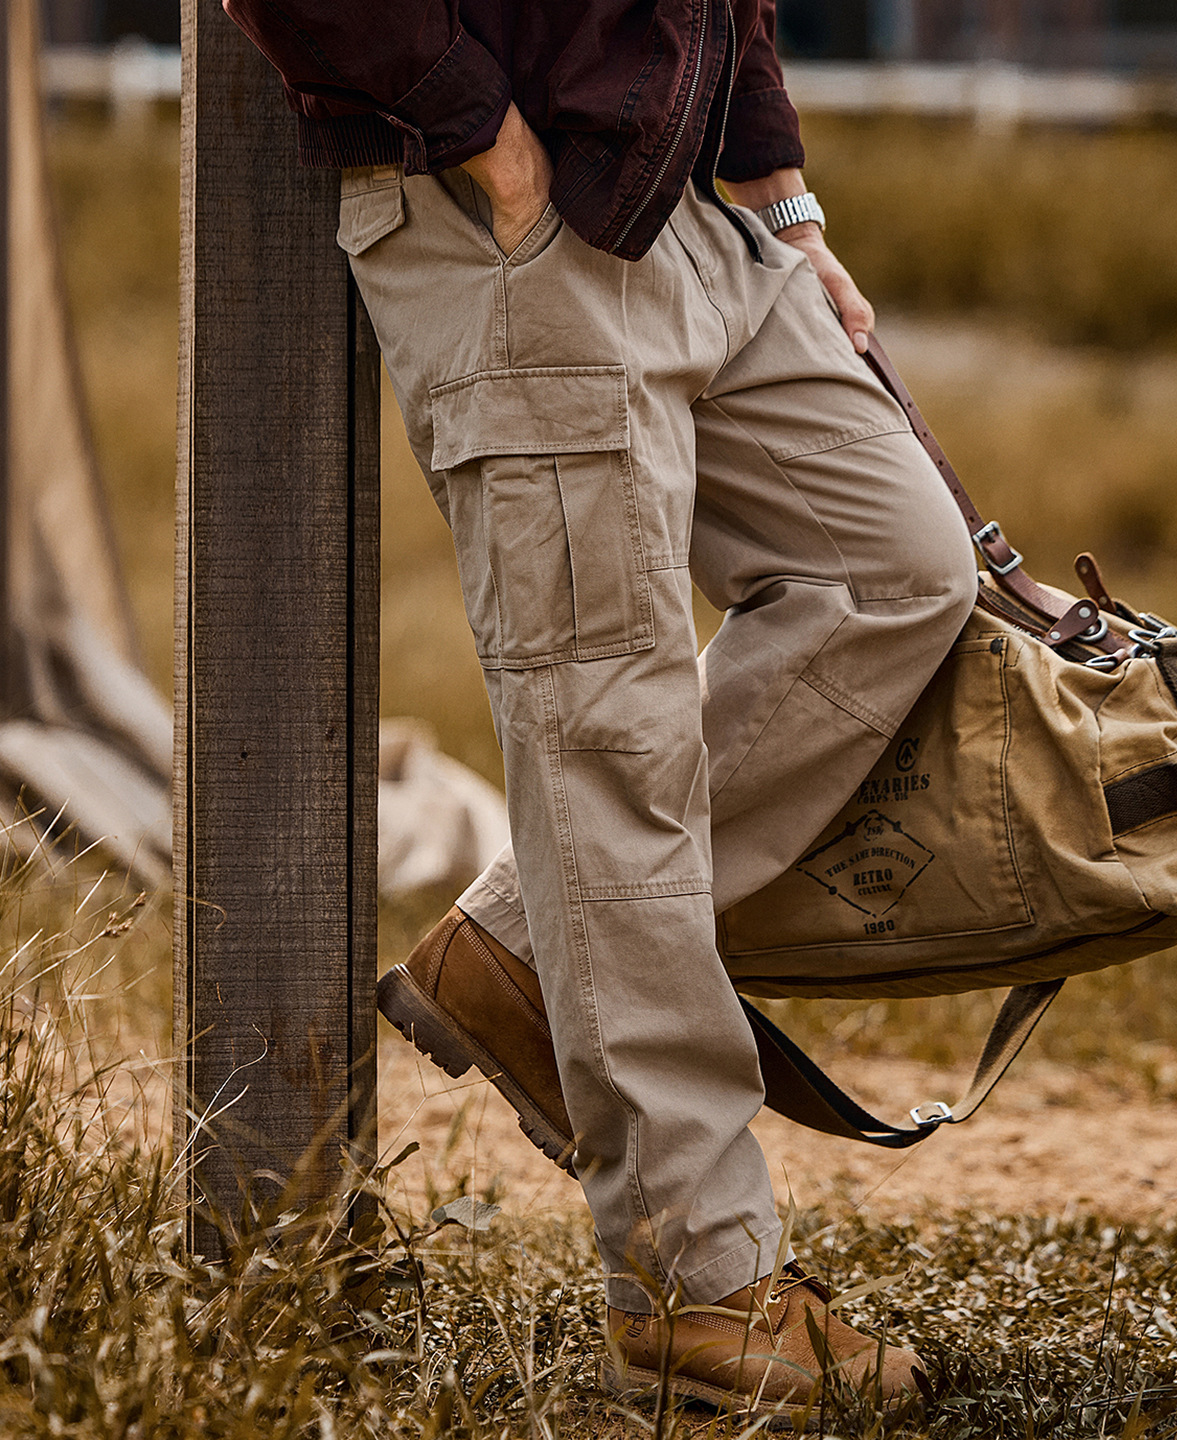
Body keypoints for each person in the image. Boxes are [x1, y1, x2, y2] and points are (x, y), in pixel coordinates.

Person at [224, 0, 975, 1421]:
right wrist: (483, 140)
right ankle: (697, 1292)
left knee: (897, 570)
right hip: (514, 209)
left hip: (693, 221)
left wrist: (784, 203)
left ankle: (516, 953)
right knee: (609, 753)